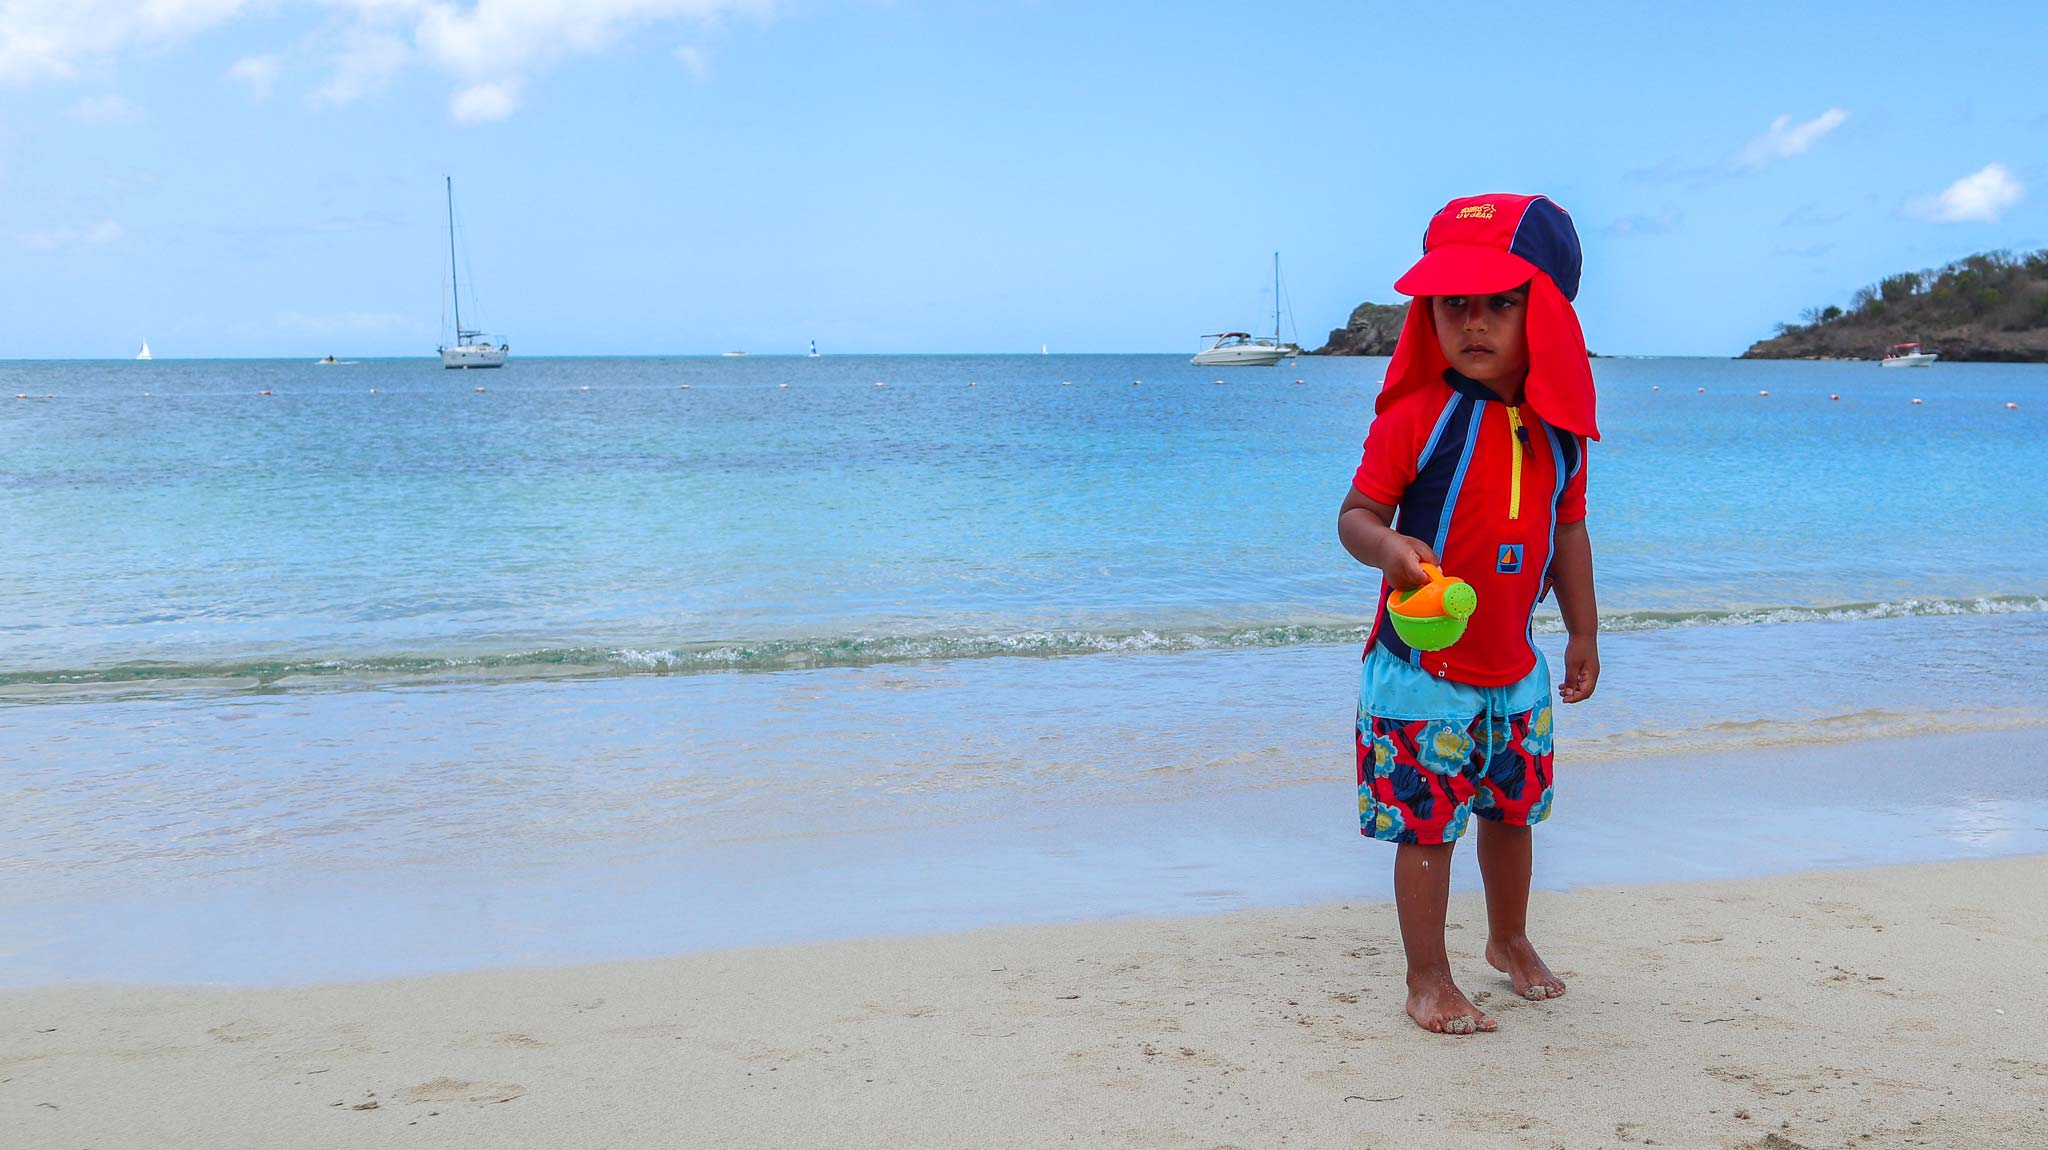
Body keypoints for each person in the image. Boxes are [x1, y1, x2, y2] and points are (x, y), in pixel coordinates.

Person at [1337, 193, 1602, 1035]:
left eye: (1501, 303)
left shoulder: (1559, 433)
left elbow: (1567, 533)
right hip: (1422, 674)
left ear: (1547, 314)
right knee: (1427, 829)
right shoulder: (1418, 416)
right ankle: (1426, 978)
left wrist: (1585, 631)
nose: (1474, 323)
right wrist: (1387, 549)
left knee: (1513, 813)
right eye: (1454, 304)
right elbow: (1355, 515)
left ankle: (1510, 939)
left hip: (1514, 670)